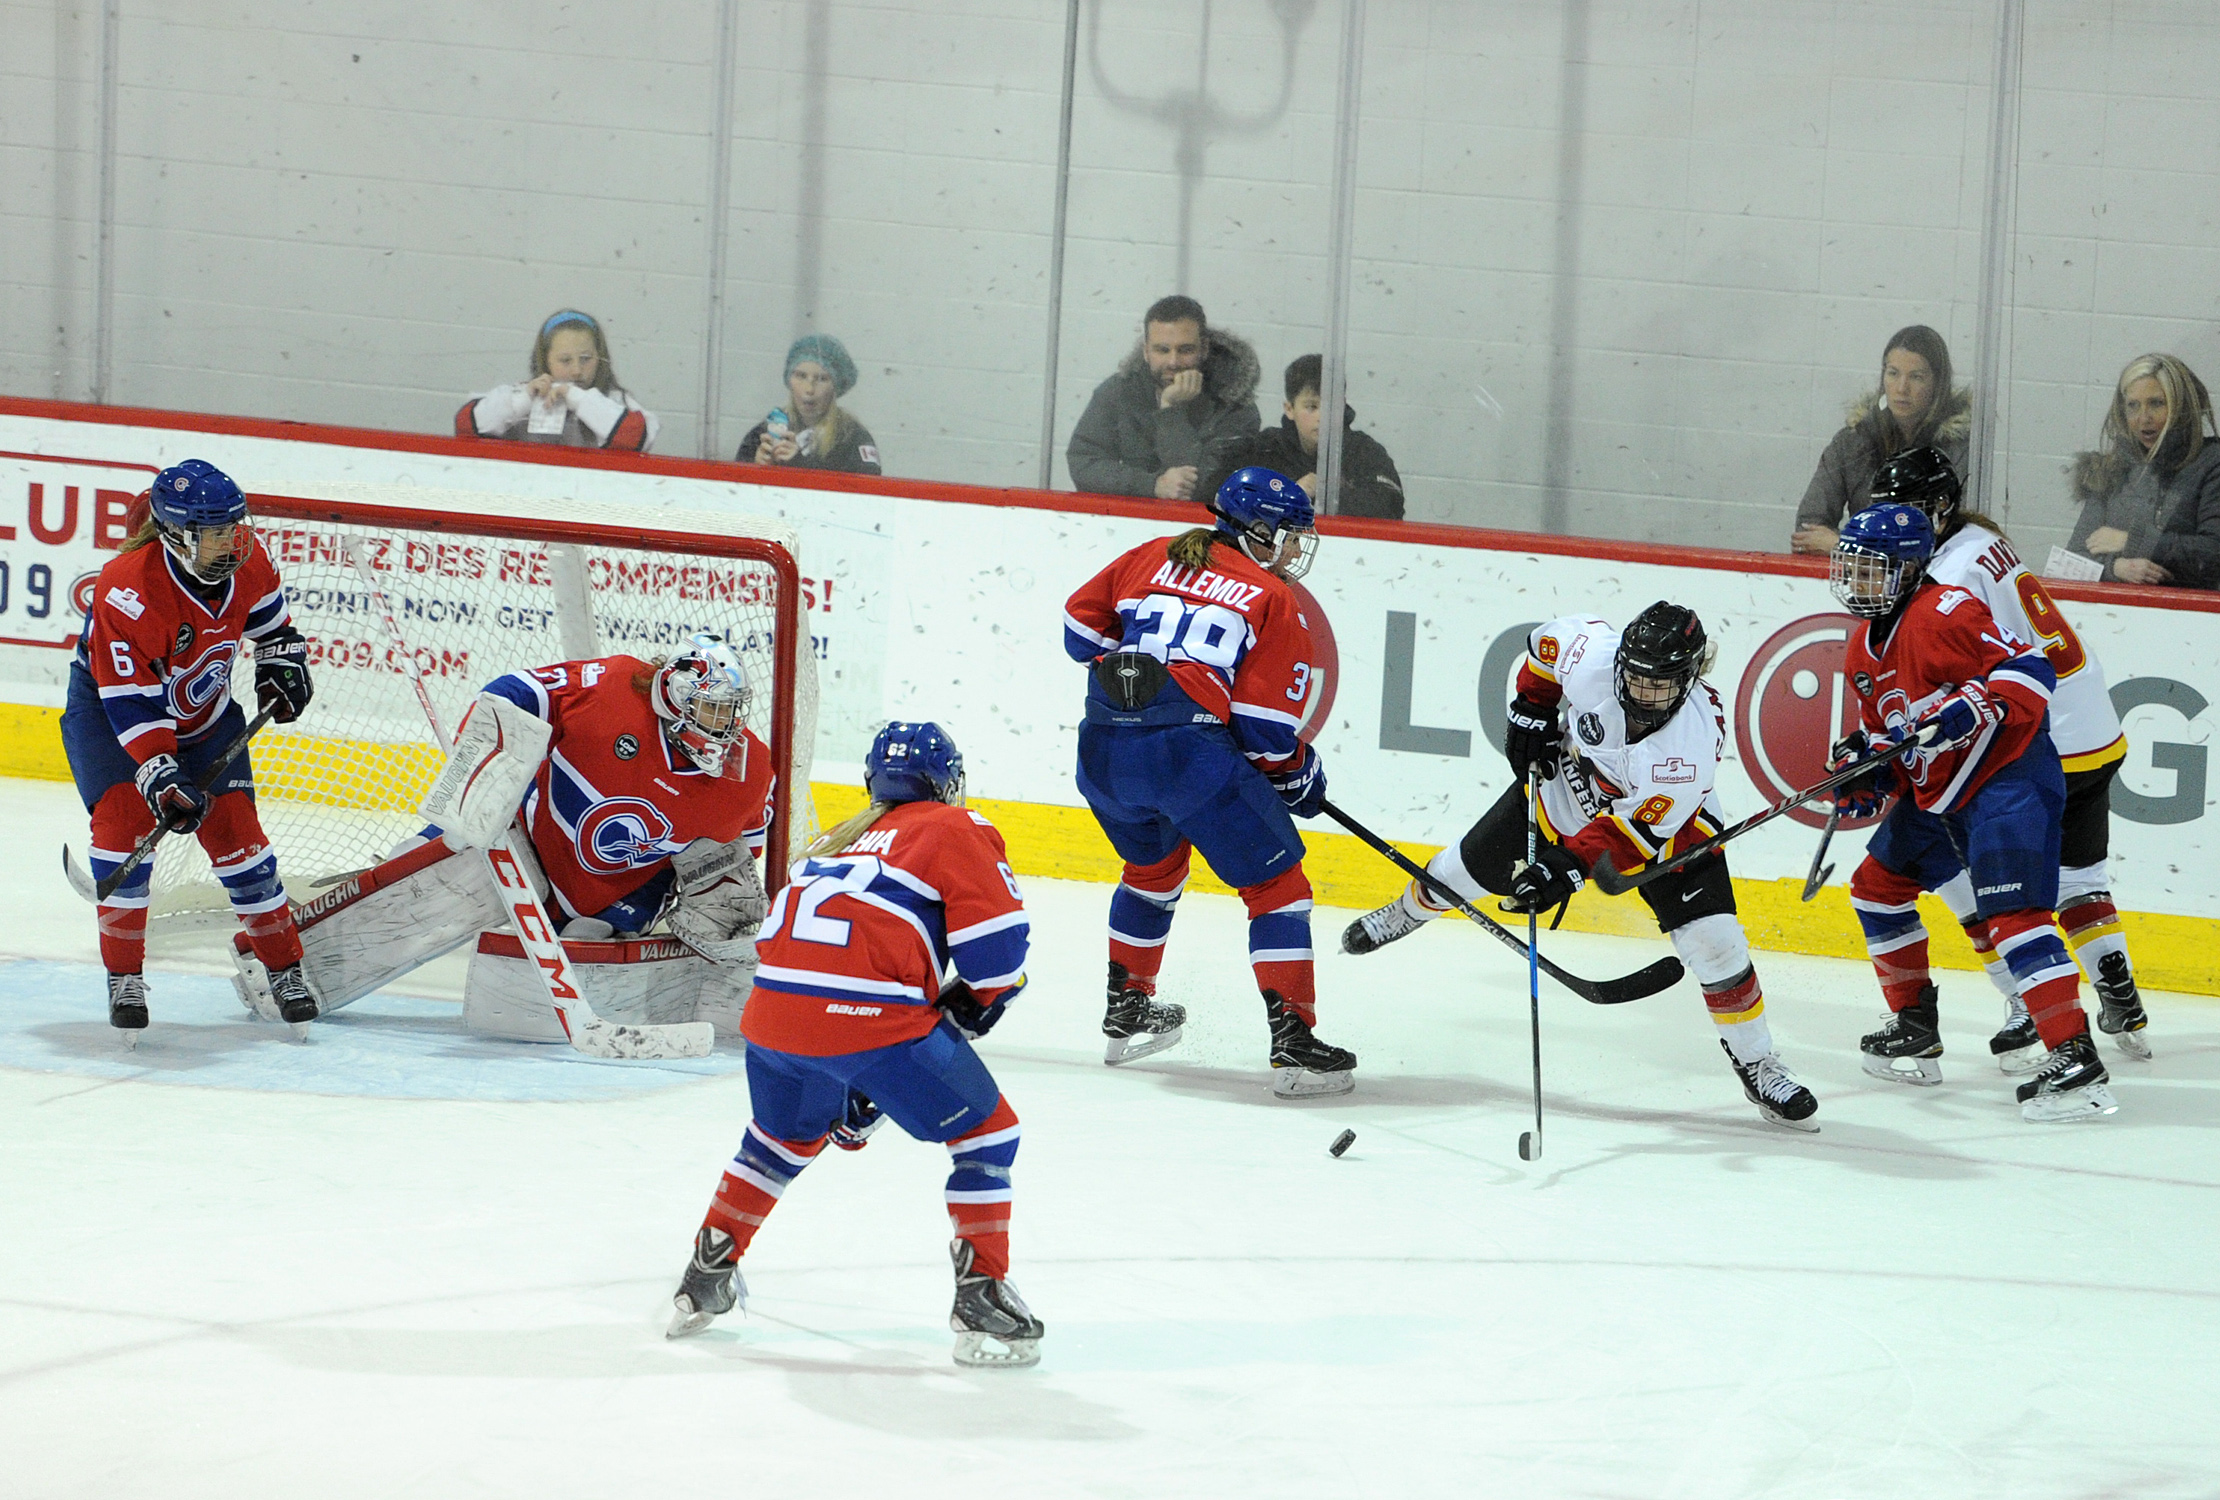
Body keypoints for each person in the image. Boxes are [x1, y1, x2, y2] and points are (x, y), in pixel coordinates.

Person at [1342, 603, 1821, 1132]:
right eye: (1634, 677)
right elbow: (1544, 646)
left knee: (1717, 943)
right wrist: (1533, 704)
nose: (1642, 693)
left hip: (1669, 831)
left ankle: (1757, 1061)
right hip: (1564, 788)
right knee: (1454, 873)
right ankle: (1406, 912)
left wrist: (1562, 866)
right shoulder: (1592, 657)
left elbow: (1634, 835)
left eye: (1659, 684)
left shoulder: (1688, 749)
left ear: (1689, 679)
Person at [665, 721, 1043, 1369]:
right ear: (948, 782)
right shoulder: (956, 828)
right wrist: (979, 1005)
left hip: (771, 1013)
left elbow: (816, 958)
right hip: (865, 1020)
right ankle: (980, 1295)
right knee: (988, 1136)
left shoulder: (831, 842)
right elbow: (996, 956)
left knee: (780, 1139)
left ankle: (705, 1274)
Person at [1062, 466, 1353, 1097]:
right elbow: (1264, 731)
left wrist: (1149, 667)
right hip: (1185, 754)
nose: (1296, 550)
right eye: (1289, 535)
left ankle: (1127, 1012)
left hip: (1104, 748)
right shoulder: (1273, 598)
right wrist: (1301, 777)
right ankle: (1295, 1046)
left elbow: (1079, 633)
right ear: (1256, 530)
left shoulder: (1149, 555)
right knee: (1279, 887)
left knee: (1152, 872)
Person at [1826, 503, 2116, 1122]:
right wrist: (1865, 772)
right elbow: (1896, 743)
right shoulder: (1860, 649)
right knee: (1876, 889)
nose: (1857, 582)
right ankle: (1914, 1025)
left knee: (2015, 919)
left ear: (1908, 570)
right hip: (1941, 797)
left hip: (2007, 783)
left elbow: (2033, 669)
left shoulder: (1946, 611)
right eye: (1849, 567)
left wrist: (1975, 705)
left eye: (1872, 569)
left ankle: (2076, 1059)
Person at [1866, 448, 2149, 1070]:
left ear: (1937, 507)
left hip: (2035, 734)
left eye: (1904, 510)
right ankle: (2117, 994)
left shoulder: (1944, 574)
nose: (1894, 523)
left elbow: (1972, 674)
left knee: (1988, 875)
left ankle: (2030, 1005)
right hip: (2092, 719)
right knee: (2078, 877)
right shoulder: (1975, 538)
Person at [59, 460, 320, 1041]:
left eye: (236, 525)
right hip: (110, 722)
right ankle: (123, 977)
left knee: (241, 844)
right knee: (125, 830)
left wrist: (284, 665)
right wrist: (160, 776)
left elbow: (275, 632)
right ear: (178, 535)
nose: (235, 539)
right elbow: (130, 703)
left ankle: (285, 969)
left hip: (204, 719)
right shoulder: (128, 589)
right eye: (217, 531)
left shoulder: (248, 562)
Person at [1791, 325, 1969, 553]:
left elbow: (1953, 542)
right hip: (1860, 581)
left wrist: (1846, 546)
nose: (1902, 388)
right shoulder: (1853, 441)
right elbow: (1808, 531)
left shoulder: (1959, 449)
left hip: (1932, 585)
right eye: (1893, 373)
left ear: (1938, 384)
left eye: (1916, 377)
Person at [1066, 295, 1263, 502]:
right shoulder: (1118, 392)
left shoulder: (1235, 405)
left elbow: (1204, 488)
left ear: (1204, 349)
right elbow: (1084, 463)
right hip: (1125, 521)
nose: (1173, 362)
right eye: (1162, 350)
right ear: (1145, 351)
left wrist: (1170, 412)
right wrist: (1153, 485)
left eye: (1185, 350)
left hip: (1201, 527)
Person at [2065, 353, 2220, 587]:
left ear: (2182, 405)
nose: (2143, 418)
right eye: (2133, 406)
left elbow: (2213, 553)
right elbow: (2072, 559)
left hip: (2191, 614)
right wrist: (2115, 568)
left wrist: (2131, 541)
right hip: (2119, 612)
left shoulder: (2211, 463)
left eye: (2156, 403)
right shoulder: (2112, 467)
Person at [1202, 354, 1405, 520]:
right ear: (1290, 409)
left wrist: (1331, 494)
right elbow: (1215, 494)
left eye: (1331, 406)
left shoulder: (1365, 452)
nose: (1323, 417)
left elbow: (1391, 506)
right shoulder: (1264, 449)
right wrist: (1289, 495)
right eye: (1311, 407)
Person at [454, 309, 659, 452]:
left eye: (586, 359)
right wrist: (520, 402)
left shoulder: (615, 401)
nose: (577, 370)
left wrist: (578, 399)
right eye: (565, 360)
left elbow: (638, 438)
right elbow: (465, 425)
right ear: (545, 360)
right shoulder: (519, 395)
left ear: (600, 357)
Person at [733, 334, 882, 475]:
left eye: (822, 379)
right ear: (789, 380)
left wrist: (800, 466)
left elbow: (866, 493)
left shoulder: (853, 438)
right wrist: (755, 467)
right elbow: (733, 489)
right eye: (800, 376)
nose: (809, 389)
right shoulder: (764, 432)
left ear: (836, 387)